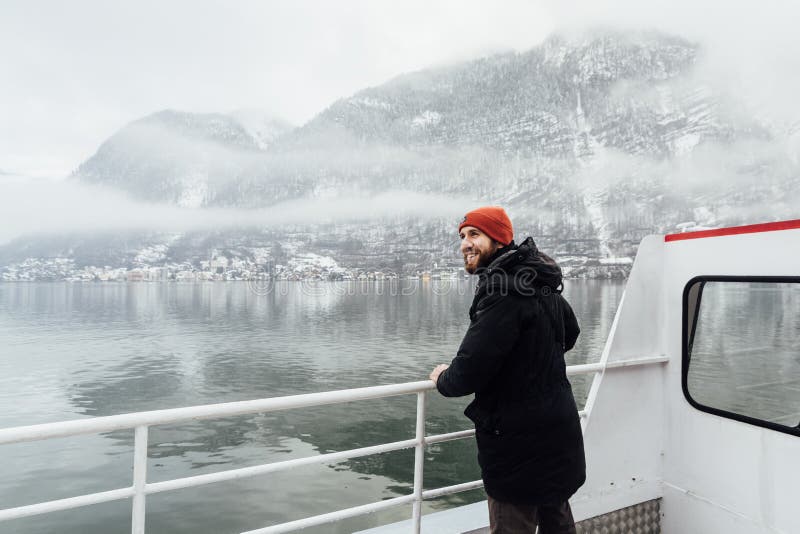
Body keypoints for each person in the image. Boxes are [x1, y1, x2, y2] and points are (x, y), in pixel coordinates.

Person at [429, 206, 585, 534]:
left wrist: (442, 378)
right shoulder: (537, 280)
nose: (465, 243)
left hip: (517, 441)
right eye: (462, 236)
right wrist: (526, 363)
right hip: (556, 429)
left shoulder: (503, 290)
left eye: (474, 234)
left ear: (498, 239)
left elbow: (468, 372)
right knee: (557, 521)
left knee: (513, 524)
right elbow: (569, 334)